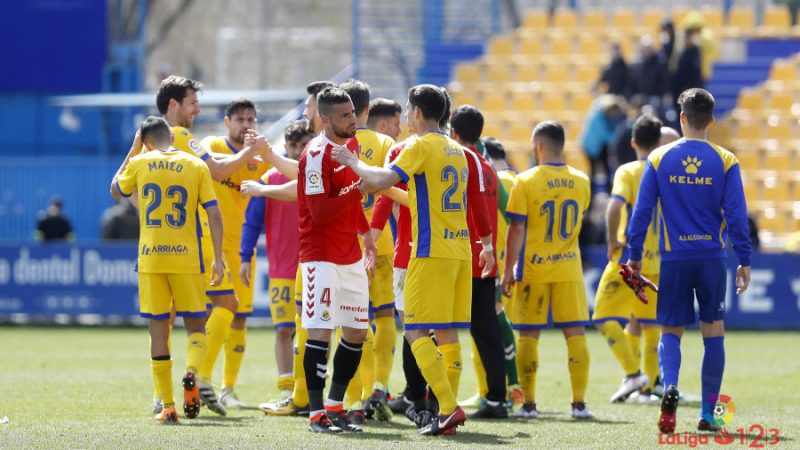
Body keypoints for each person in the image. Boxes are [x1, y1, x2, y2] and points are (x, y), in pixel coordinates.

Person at [331, 84, 495, 436]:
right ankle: (444, 411)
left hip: (429, 251)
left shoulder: (419, 146)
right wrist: (488, 245)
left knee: (415, 329)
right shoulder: (461, 152)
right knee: (448, 332)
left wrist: (352, 162)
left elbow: (382, 178)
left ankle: (447, 408)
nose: (407, 115)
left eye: (408, 110)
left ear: (418, 112)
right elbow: (472, 203)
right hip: (461, 252)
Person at [626, 88, 751, 434]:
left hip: (674, 258)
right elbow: (736, 215)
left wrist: (634, 255)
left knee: (671, 330)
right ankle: (709, 414)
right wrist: (744, 258)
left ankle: (669, 388)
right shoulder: (726, 160)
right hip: (711, 257)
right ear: (712, 120)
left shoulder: (658, 158)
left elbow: (642, 212)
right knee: (713, 330)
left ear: (681, 117)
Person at [110, 116, 224, 422]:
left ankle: (168, 406)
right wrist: (219, 257)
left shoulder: (139, 162)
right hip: (187, 258)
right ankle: (192, 372)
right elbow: (214, 214)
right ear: (171, 137)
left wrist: (134, 149)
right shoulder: (195, 165)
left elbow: (115, 190)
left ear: (146, 143)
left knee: (158, 330)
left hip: (151, 259)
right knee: (196, 327)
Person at [500, 121, 594, 420]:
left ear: (538, 145)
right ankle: (579, 404)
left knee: (529, 336)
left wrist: (507, 271)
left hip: (534, 269)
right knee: (575, 334)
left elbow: (517, 229)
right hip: (569, 268)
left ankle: (529, 405)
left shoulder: (525, 181)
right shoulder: (582, 180)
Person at [296, 87, 377, 433]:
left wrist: (366, 233)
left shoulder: (350, 145)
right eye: (344, 115)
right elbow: (319, 213)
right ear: (325, 120)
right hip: (321, 256)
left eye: (353, 112)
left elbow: (349, 197)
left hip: (350, 254)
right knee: (321, 330)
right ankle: (316, 415)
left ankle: (335, 406)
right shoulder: (315, 155)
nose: (353, 119)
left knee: (357, 331)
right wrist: (358, 191)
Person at [194, 97, 272, 413]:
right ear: (227, 122)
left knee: (239, 316)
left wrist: (261, 153)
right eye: (240, 119)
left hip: (242, 249)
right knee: (209, 313)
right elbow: (212, 169)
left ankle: (226, 388)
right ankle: (197, 379)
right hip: (211, 246)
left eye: (251, 119)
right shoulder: (212, 145)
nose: (246, 125)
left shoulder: (261, 157)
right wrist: (250, 153)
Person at [592, 114, 663, 404]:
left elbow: (614, 208)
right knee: (649, 325)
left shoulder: (628, 171)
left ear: (633, 142)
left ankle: (633, 374)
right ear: (659, 143)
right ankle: (648, 387)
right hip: (658, 260)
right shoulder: (665, 171)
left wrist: (611, 240)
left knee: (602, 317)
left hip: (630, 259)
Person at [240, 121, 312, 405]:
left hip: (312, 265)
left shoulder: (316, 176)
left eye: (303, 145)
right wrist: (245, 257)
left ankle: (308, 384)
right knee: (284, 329)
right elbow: (252, 222)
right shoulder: (269, 179)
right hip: (282, 268)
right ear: (286, 146)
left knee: (313, 330)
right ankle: (286, 386)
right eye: (293, 146)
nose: (297, 151)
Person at [339, 79, 397, 422]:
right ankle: (379, 386)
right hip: (382, 243)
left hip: (346, 245)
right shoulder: (386, 142)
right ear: (367, 109)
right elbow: (390, 191)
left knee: (352, 322)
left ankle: (356, 400)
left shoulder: (334, 143)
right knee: (385, 316)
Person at [449, 105, 508, 419]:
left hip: (455, 256)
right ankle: (497, 400)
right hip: (484, 261)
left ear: (453, 132)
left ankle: (431, 399)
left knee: (436, 329)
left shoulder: (454, 162)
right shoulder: (488, 167)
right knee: (487, 333)